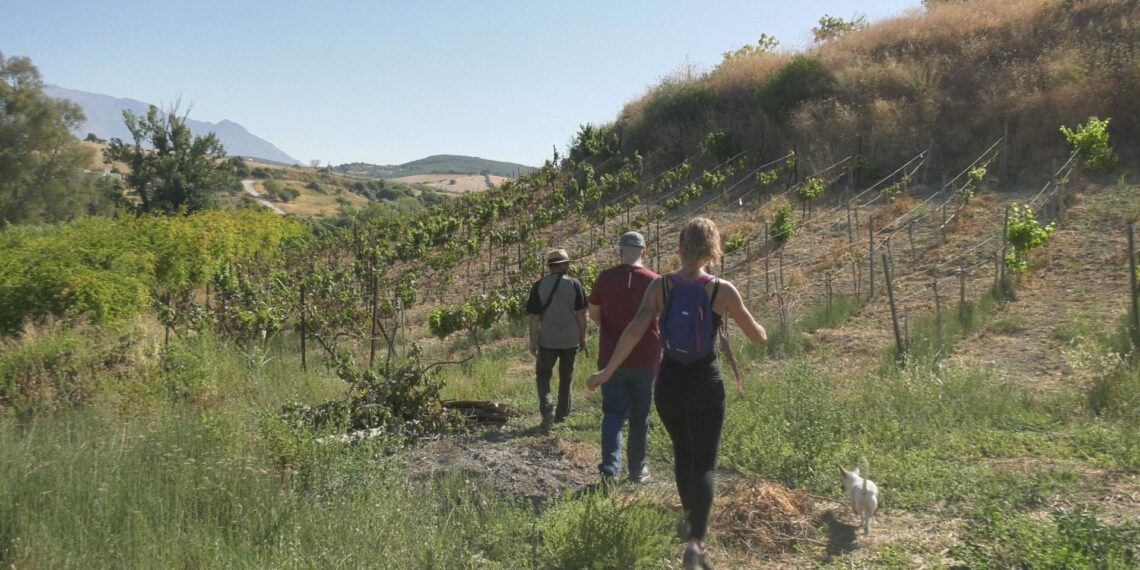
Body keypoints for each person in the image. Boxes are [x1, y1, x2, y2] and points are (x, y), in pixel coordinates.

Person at [587, 218, 767, 570]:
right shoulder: (722, 289)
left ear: (680, 247)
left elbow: (635, 330)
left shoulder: (660, 286)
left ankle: (690, 522)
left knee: (682, 454)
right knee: (706, 463)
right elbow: (757, 336)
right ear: (713, 249)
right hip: (706, 381)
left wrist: (607, 371)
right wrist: (758, 326)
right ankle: (698, 543)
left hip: (668, 380)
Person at [587, 231, 660, 484]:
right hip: (646, 358)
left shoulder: (605, 278)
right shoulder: (654, 281)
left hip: (610, 358)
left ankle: (609, 470)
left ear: (620, 252)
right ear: (644, 252)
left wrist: (609, 329)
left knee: (613, 414)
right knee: (641, 416)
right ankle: (637, 470)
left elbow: (594, 312)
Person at [526, 248, 587, 432]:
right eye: (566, 263)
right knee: (566, 378)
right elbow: (581, 314)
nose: (568, 266)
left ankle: (547, 411)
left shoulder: (539, 286)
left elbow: (535, 317)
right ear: (560, 265)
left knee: (543, 376)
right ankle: (561, 415)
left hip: (547, 340)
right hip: (570, 340)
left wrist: (533, 340)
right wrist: (583, 337)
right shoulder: (575, 284)